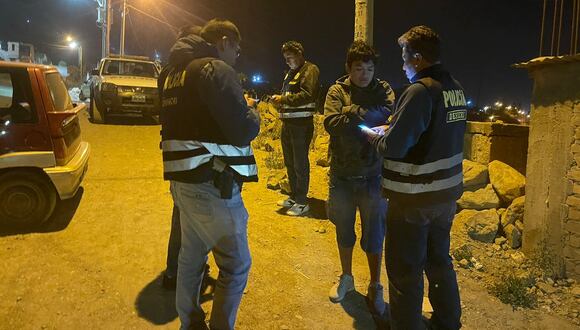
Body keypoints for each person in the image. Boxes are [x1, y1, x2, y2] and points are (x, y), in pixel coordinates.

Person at [361, 26, 466, 329]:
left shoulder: (419, 90)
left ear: (417, 58)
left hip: (413, 200)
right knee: (439, 263)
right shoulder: (454, 87)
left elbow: (394, 147)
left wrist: (375, 137)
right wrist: (393, 129)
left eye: (404, 57)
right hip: (444, 199)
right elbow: (432, 133)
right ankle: (448, 322)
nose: (403, 64)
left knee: (405, 269)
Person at [159, 19, 260, 330]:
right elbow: (243, 129)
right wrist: (251, 111)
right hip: (212, 184)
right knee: (237, 263)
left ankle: (190, 322)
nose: (237, 55)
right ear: (225, 41)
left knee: (191, 258)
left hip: (182, 182)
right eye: (237, 49)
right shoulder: (213, 69)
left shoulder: (171, 73)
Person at [323, 40, 394, 315]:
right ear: (348, 69)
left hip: (373, 176)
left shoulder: (383, 88)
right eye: (358, 68)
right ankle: (347, 277)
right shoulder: (336, 91)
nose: (364, 74)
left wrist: (351, 112)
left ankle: (376, 285)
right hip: (341, 175)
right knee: (344, 229)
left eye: (369, 68)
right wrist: (366, 120)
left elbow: (389, 114)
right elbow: (332, 124)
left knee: (374, 235)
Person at [271, 41, 320, 216]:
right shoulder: (291, 74)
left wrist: (283, 100)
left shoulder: (310, 70)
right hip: (288, 124)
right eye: (285, 59)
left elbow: (308, 95)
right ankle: (293, 195)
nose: (287, 61)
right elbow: (289, 95)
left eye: (289, 57)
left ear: (299, 54)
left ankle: (302, 201)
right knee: (290, 161)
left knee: (300, 163)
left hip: (301, 125)